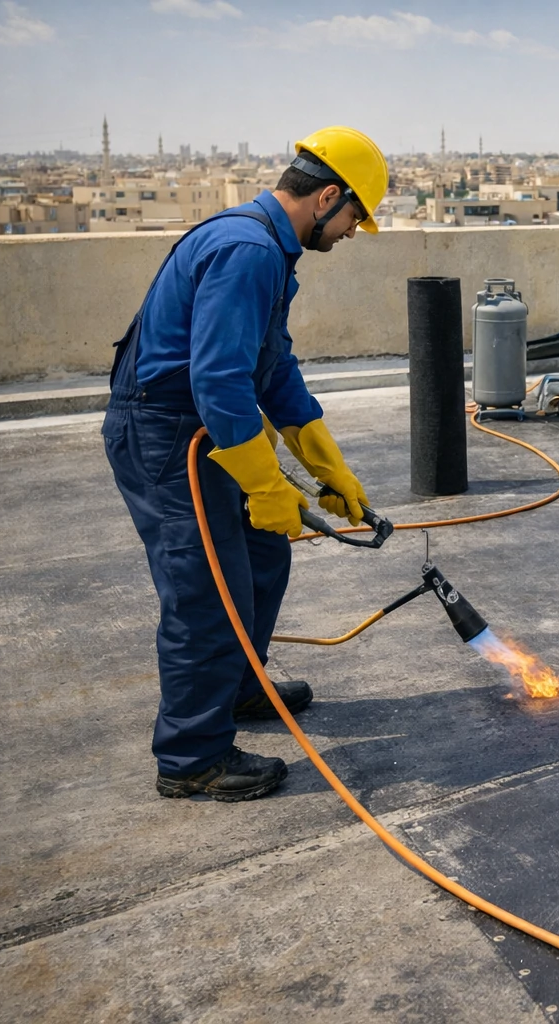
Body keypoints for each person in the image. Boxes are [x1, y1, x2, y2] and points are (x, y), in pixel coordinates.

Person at [102, 126, 387, 800]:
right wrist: (264, 482)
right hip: (169, 435)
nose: (352, 232)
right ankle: (192, 758)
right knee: (207, 592)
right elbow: (220, 381)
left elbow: (273, 368)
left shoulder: (269, 249)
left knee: (262, 554)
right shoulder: (247, 250)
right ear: (326, 197)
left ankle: (235, 686)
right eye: (354, 216)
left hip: (206, 426)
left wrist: (327, 467)